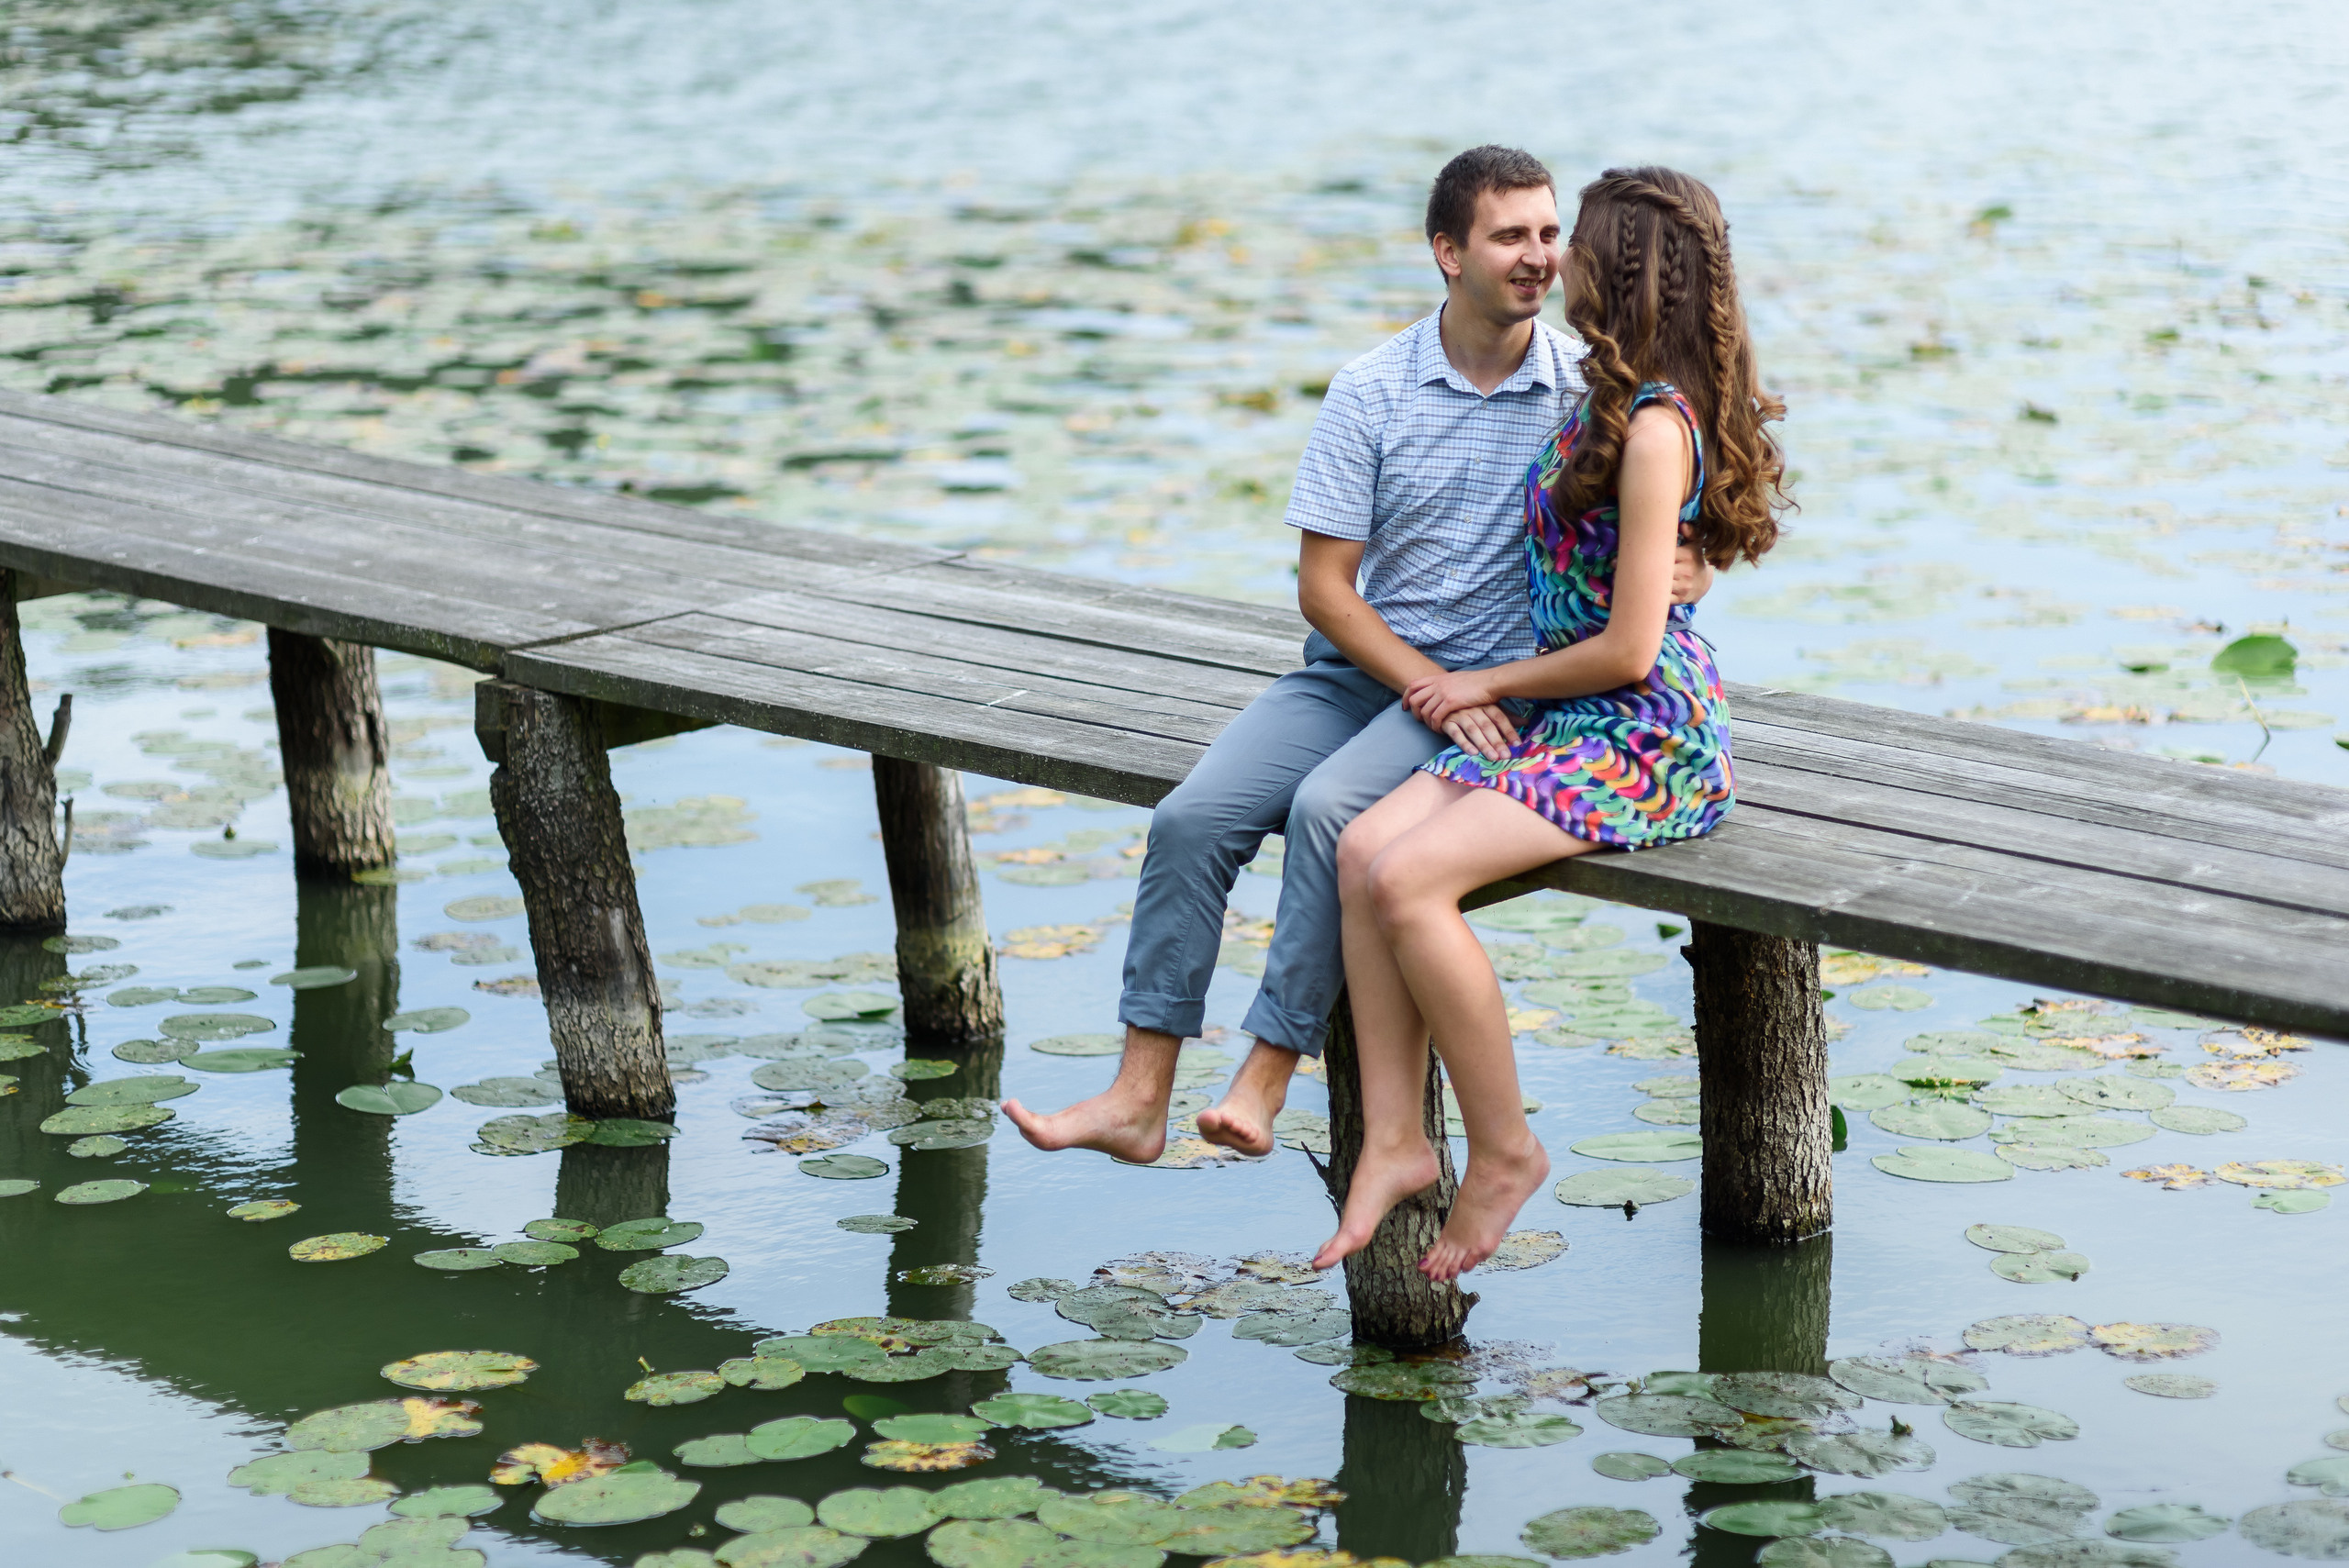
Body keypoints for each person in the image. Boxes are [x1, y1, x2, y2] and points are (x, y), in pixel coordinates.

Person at [1004, 148, 1712, 1165]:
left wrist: (1696, 567)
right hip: (1369, 669)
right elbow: (1325, 588)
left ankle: (1265, 1073)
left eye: (1549, 234)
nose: (1539, 257)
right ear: (1447, 252)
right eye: (1509, 236)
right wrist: (1422, 681)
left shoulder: (1586, 392)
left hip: (1498, 691)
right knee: (1190, 817)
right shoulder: (1370, 390)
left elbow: (1676, 505)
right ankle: (1137, 1094)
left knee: (1328, 808)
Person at [1311, 166, 1790, 1281]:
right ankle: (1394, 1137)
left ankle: (1505, 1148)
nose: (1554, 256)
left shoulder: (1654, 425)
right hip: (1570, 714)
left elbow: (1630, 650)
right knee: (1360, 846)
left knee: (1408, 879)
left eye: (1573, 237)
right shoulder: (1606, 393)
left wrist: (1481, 682)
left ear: (1618, 268)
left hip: (1642, 734)